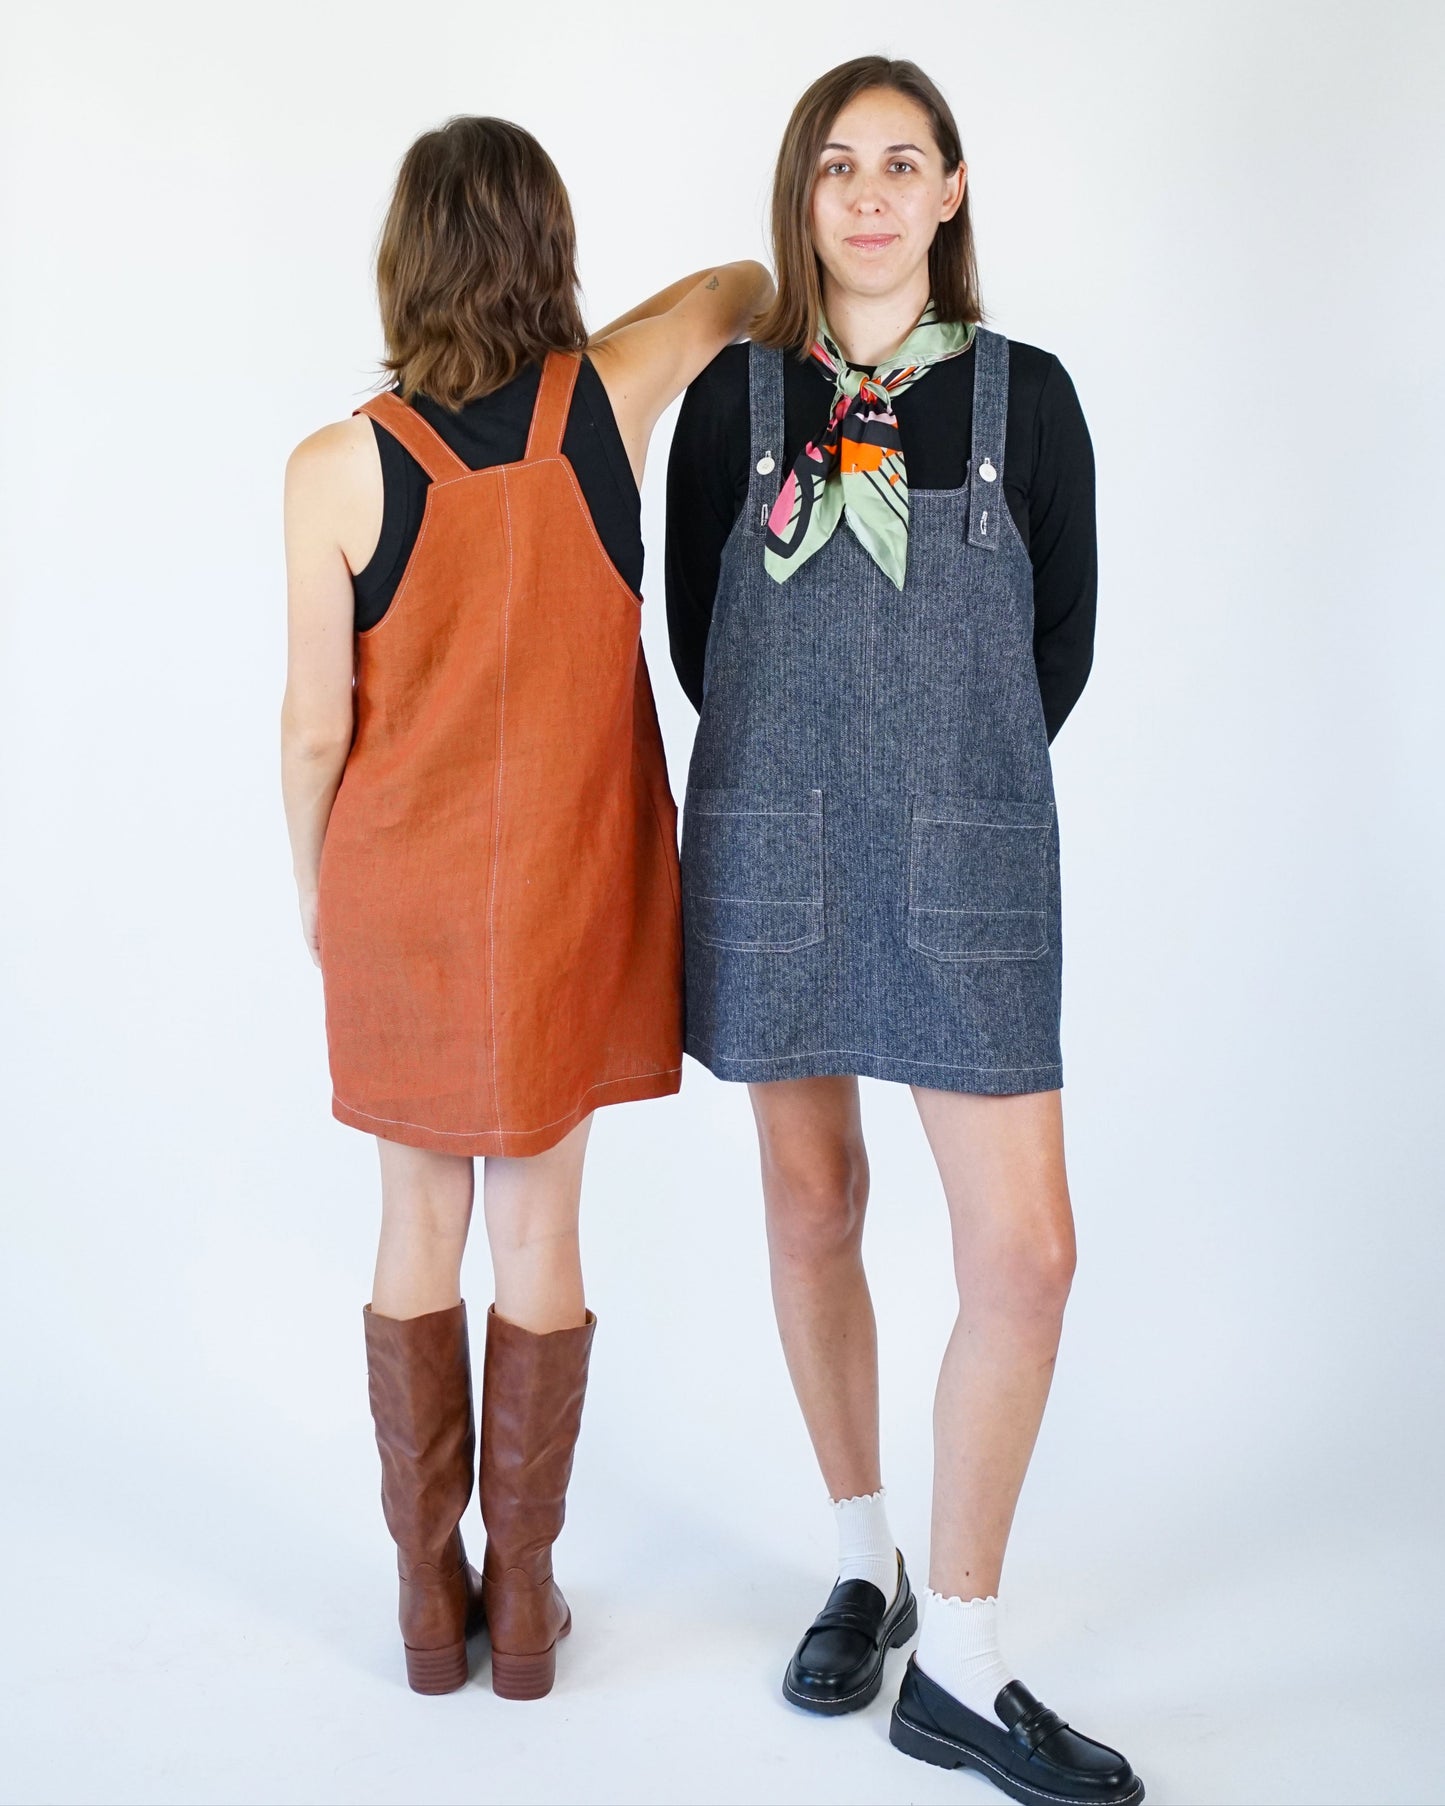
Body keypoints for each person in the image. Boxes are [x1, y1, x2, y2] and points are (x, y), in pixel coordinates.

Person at [666, 58, 1142, 1804]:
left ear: (951, 193)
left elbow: (1055, 654)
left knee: (1025, 1254)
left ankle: (961, 1646)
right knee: (813, 1204)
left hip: (971, 853)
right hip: (774, 843)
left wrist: (933, 777)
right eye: (835, 167)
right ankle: (862, 1559)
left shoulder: (1038, 401)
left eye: (901, 164)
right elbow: (699, 654)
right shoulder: (729, 405)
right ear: (801, 198)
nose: (867, 196)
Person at [281, 114, 772, 1699]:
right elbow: (741, 283)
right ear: (549, 248)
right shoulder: (609, 401)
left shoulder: (333, 465)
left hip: (395, 902)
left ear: (402, 258)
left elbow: (310, 730)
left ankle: (430, 1602)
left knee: (413, 1219)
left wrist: (318, 899)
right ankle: (530, 1601)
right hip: (566, 897)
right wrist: (631, 323)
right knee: (541, 1230)